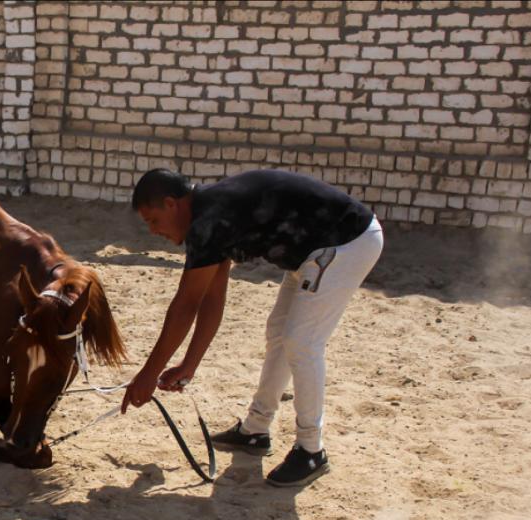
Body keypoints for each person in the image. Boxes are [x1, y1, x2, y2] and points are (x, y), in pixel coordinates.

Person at [120, 168, 384, 487]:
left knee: (301, 342)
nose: (153, 230)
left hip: (347, 242)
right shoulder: (210, 216)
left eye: (153, 220)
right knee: (279, 334)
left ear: (171, 204)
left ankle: (311, 451)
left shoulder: (209, 221)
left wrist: (148, 374)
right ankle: (256, 431)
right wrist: (189, 366)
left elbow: (186, 304)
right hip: (312, 252)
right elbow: (212, 299)